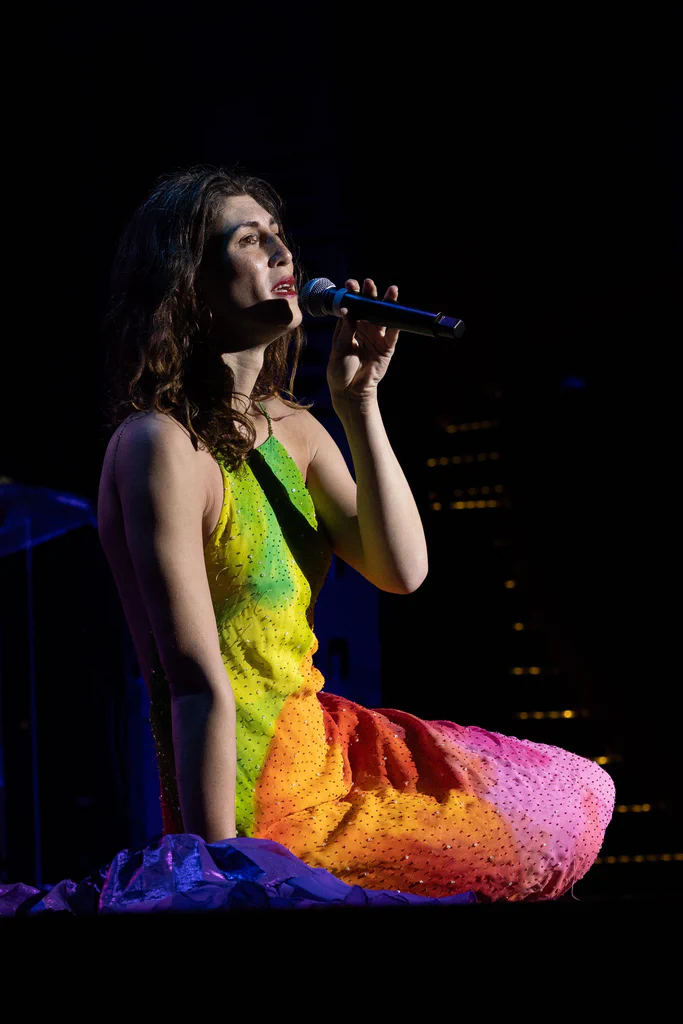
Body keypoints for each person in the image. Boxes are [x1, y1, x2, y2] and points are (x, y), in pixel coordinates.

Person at [94, 165, 615, 904]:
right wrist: (210, 873)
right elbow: (194, 682)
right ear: (188, 282)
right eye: (250, 241)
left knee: (569, 791)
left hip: (328, 748)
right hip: (258, 790)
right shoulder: (159, 446)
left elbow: (401, 571)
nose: (283, 257)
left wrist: (358, 402)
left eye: (281, 239)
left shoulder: (298, 433)